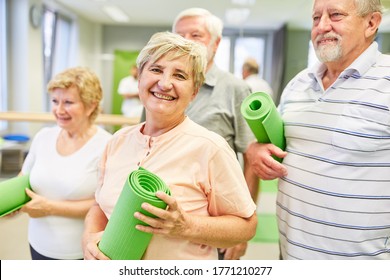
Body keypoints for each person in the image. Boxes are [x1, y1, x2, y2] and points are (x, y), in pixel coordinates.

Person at [82, 31, 257, 260]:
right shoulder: (117, 142)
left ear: (194, 91)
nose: (164, 84)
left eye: (180, 75)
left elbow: (246, 226)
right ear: (140, 79)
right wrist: (89, 240)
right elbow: (99, 205)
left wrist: (186, 226)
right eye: (156, 70)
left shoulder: (210, 148)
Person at [246, 0, 390, 259]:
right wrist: (257, 151)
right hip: (290, 255)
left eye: (335, 15)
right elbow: (280, 144)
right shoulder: (298, 84)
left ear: (371, 23)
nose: (322, 26)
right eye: (315, 18)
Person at [172, 8, 259, 260]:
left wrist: (242, 230)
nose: (185, 42)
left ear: (216, 42)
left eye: (195, 35)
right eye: (179, 35)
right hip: (162, 218)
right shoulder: (162, 87)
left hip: (214, 226)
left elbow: (252, 161)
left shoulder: (235, 89)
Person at [18, 67, 112, 260]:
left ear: (91, 105)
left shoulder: (107, 145)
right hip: (38, 244)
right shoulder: (43, 137)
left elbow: (107, 204)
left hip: (78, 252)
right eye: (55, 101)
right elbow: (22, 179)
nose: (59, 110)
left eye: (68, 102)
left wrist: (50, 207)